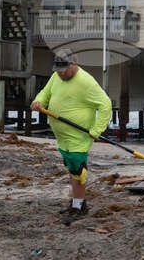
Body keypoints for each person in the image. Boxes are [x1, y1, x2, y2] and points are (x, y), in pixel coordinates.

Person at [30, 51, 111, 224]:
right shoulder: (56, 77)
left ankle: (78, 207)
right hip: (62, 137)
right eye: (57, 69)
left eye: (63, 70)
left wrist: (97, 130)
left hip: (79, 135)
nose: (60, 73)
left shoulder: (86, 81)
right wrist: (38, 102)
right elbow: (45, 93)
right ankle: (78, 202)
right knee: (72, 167)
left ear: (74, 65)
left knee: (78, 170)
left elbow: (105, 104)